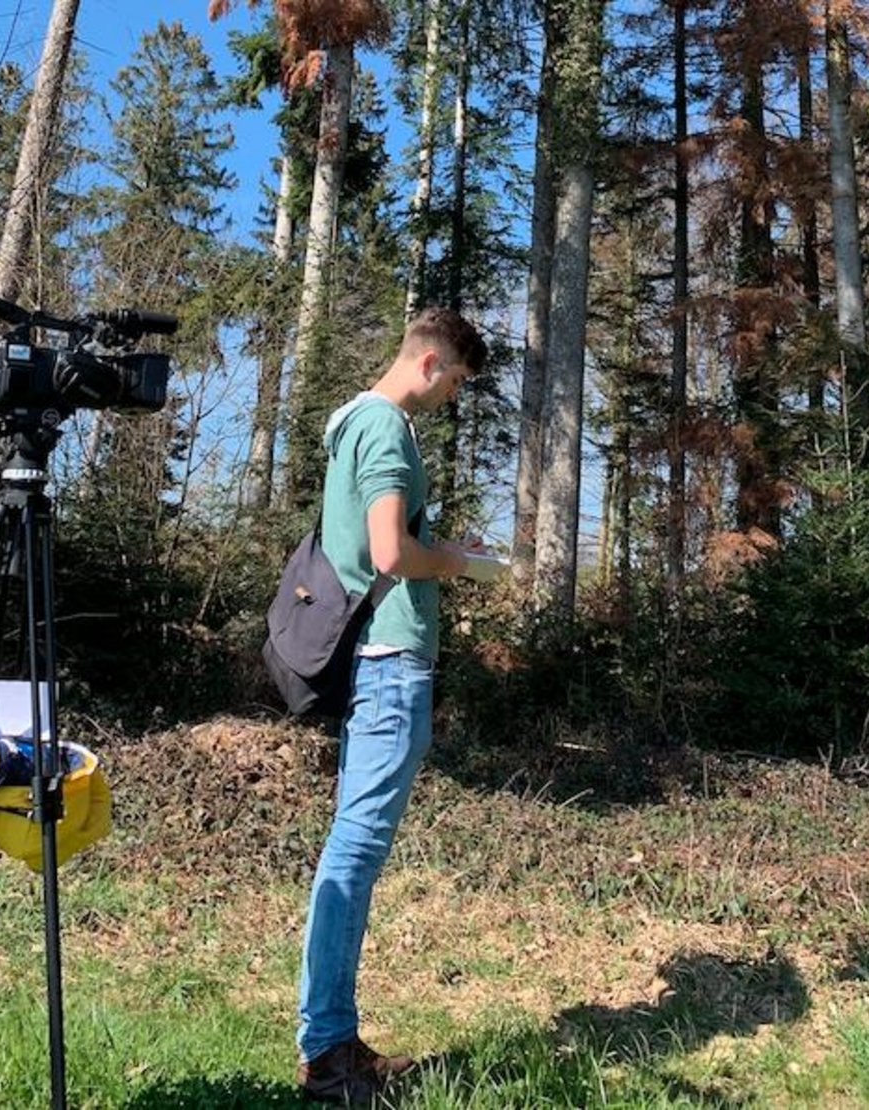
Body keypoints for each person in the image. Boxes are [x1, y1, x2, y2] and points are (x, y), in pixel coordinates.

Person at [295, 307, 488, 1104]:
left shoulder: (354, 423)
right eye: (456, 384)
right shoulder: (382, 428)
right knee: (355, 852)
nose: (450, 399)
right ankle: (328, 1054)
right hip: (387, 664)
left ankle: (334, 1039)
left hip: (375, 665)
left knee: (354, 848)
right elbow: (389, 552)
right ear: (432, 361)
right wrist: (467, 565)